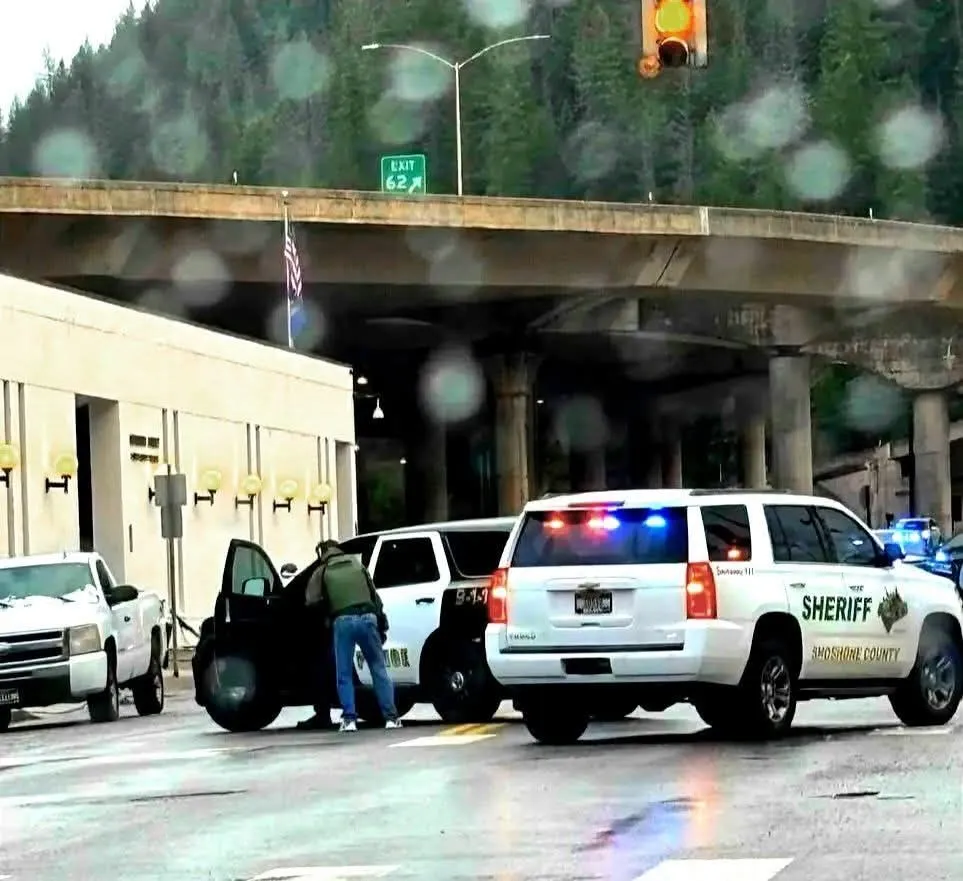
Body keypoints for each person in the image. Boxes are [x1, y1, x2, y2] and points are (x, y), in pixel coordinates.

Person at [306, 540, 401, 732]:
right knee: (378, 669)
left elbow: (311, 600)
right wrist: (382, 624)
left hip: (343, 621)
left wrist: (327, 611)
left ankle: (349, 720)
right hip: (368, 618)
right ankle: (391, 718)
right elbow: (375, 597)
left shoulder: (322, 571)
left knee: (344, 673)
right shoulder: (358, 566)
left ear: (323, 553)